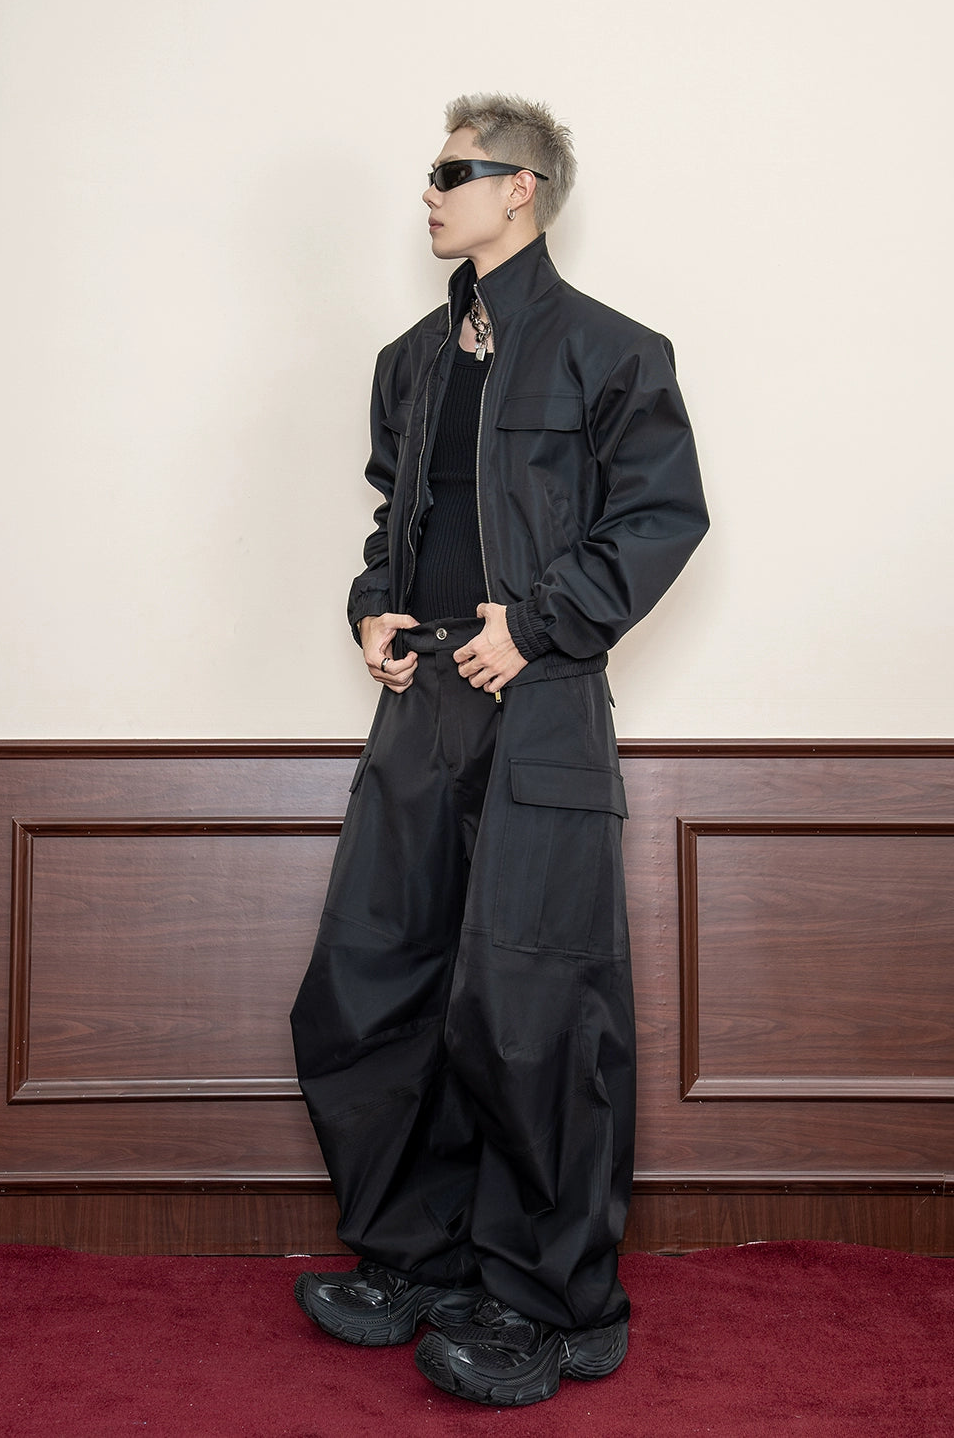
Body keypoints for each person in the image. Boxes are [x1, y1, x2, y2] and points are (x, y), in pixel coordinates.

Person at [290, 93, 708, 1408]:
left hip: (541, 713)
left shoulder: (612, 351)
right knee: (372, 987)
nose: (427, 192)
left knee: (533, 1015)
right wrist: (372, 607)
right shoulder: (410, 360)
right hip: (421, 708)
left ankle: (551, 1304)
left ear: (520, 187)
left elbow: (660, 517)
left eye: (450, 171)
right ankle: (418, 1258)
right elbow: (395, 517)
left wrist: (535, 625)